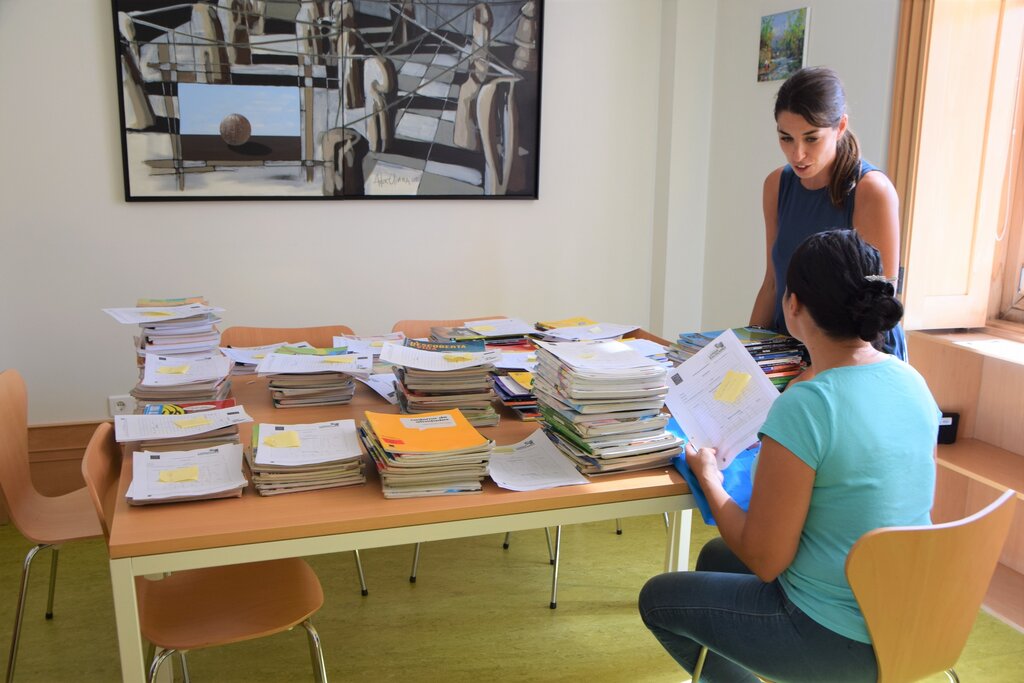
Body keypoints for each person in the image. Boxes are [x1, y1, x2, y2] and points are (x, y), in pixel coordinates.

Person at [638, 229, 939, 682]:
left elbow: (766, 559)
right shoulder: (910, 380)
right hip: (913, 619)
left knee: (658, 599)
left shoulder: (806, 406)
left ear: (792, 305)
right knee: (718, 559)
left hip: (838, 635)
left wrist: (710, 481)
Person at [750, 66, 907, 361]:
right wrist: (748, 354)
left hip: (859, 357)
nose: (797, 154)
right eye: (786, 138)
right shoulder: (776, 185)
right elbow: (773, 282)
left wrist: (815, 371)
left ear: (840, 127)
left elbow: (878, 307)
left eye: (811, 139)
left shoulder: (871, 190)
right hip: (791, 351)